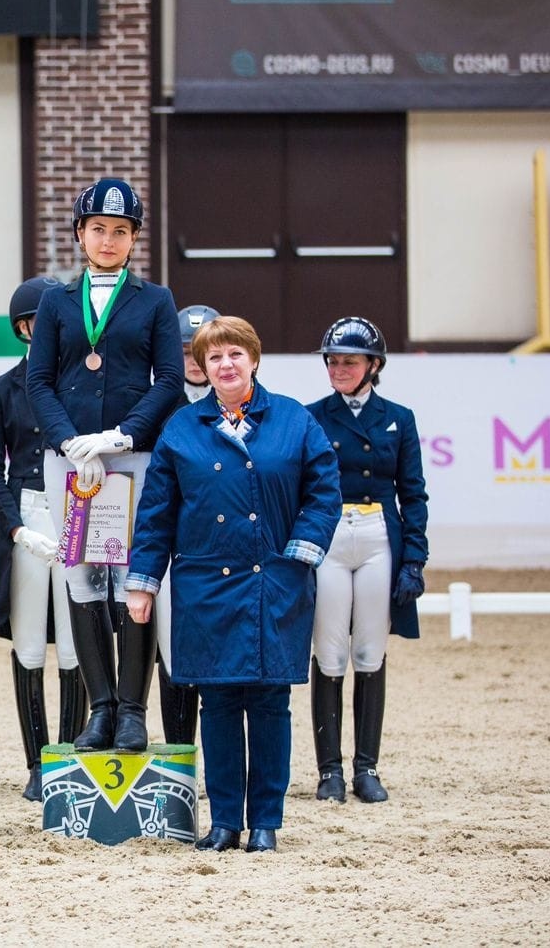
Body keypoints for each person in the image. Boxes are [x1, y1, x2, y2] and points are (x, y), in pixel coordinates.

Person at [124, 315, 341, 853]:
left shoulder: (294, 420)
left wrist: (302, 553)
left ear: (254, 360)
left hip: (274, 579)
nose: (224, 365)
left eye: (234, 355)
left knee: (270, 703)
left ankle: (265, 820)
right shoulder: (181, 428)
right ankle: (223, 821)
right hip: (206, 584)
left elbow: (324, 491)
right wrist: (143, 582)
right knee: (216, 704)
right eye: (213, 357)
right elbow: (155, 512)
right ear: (202, 366)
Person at [25, 178, 184, 753]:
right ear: (80, 235)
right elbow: (38, 380)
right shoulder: (56, 301)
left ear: (133, 238)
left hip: (131, 459)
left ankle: (135, 710)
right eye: (99, 230)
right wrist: (69, 441)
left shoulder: (155, 300)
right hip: (71, 463)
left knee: (130, 580)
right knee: (85, 581)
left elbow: (168, 379)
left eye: (120, 231)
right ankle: (101, 707)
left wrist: (123, 434)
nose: (109, 240)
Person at [307, 316, 428, 805]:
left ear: (372, 366)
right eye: (333, 361)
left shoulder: (399, 417)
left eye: (349, 362)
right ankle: (329, 770)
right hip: (332, 534)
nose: (338, 369)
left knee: (370, 653)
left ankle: (366, 767)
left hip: (380, 534)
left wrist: (414, 559)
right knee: (330, 653)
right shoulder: (312, 415)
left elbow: (413, 493)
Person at [0, 277, 86, 801]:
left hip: (75, 509)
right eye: (33, 323)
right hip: (26, 511)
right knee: (28, 642)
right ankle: (36, 762)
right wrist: (15, 527)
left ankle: (69, 751)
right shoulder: (2, 389)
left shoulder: (84, 385)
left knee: (74, 638)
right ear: (23, 328)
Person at [151, 303, 223, 749]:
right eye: (185, 350)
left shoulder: (244, 404)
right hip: (175, 544)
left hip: (224, 549)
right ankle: (180, 753)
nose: (194, 361)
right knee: (173, 654)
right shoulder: (158, 406)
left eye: (204, 350)